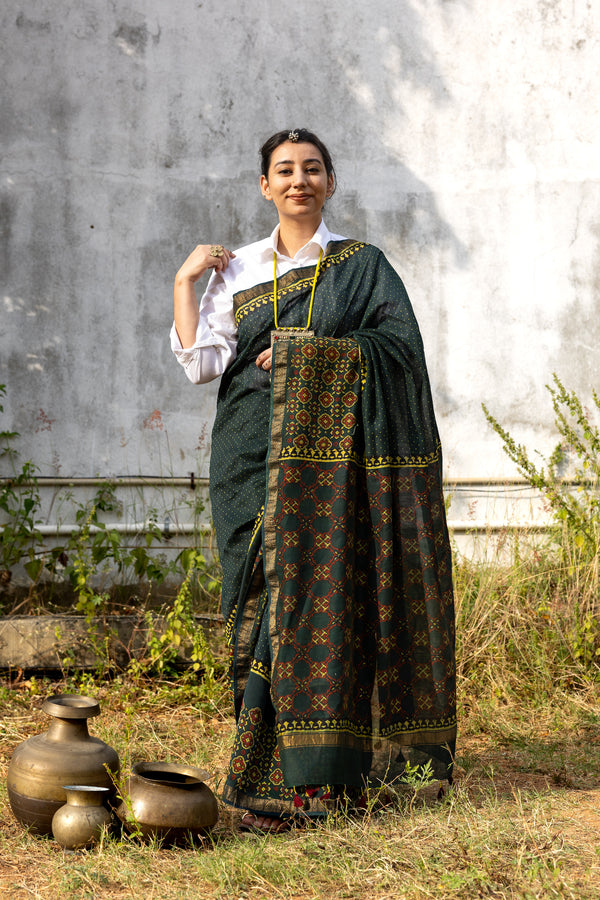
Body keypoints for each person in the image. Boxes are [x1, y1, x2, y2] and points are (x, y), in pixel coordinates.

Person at [171, 128, 456, 833]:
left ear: (330, 182)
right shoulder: (237, 268)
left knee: (319, 599)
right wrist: (184, 281)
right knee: (260, 597)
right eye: (284, 171)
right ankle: (267, 758)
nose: (298, 180)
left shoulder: (364, 267)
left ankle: (310, 776)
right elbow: (202, 365)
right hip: (246, 457)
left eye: (312, 169)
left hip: (330, 467)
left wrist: (313, 356)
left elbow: (399, 353)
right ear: (265, 186)